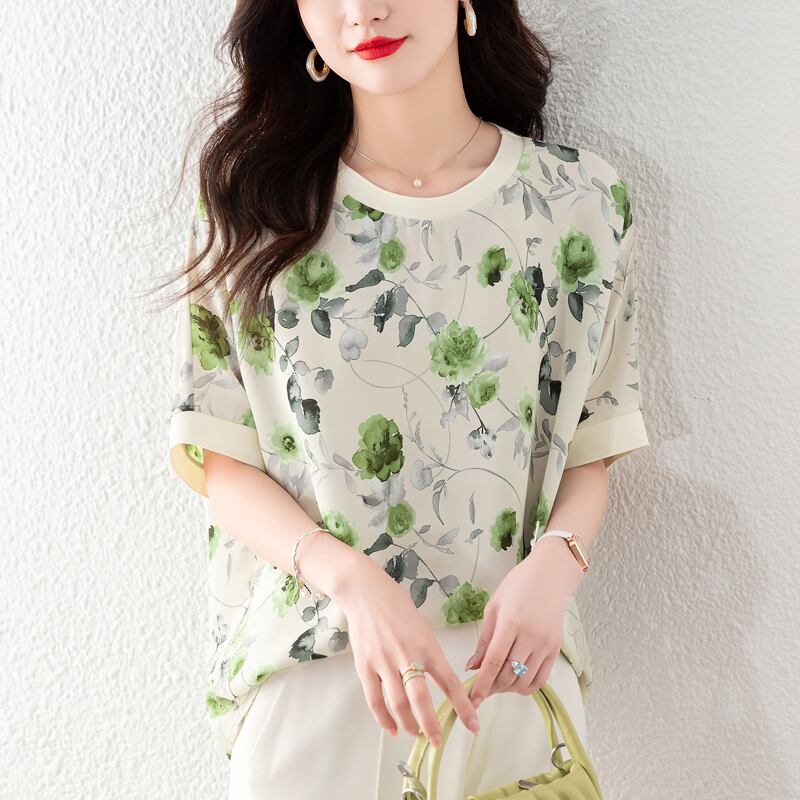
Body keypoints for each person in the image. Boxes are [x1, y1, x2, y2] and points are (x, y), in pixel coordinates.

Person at [158, 1, 650, 796]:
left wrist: (556, 566)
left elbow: (592, 438)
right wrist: (354, 585)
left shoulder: (580, 200)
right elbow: (221, 459)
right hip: (318, 675)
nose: (364, 12)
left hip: (507, 678)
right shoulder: (253, 202)